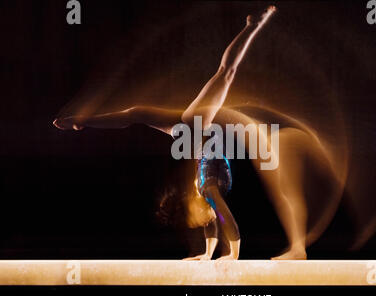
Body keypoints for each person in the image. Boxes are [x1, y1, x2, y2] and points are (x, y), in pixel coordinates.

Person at [54, 6, 278, 260]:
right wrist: (226, 253)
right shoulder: (206, 190)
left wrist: (218, 254)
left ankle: (253, 26)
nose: (202, 223)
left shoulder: (204, 188)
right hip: (194, 133)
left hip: (191, 134)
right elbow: (222, 219)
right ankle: (253, 26)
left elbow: (218, 218)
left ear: (189, 207)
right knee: (221, 75)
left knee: (140, 111)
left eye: (194, 222)